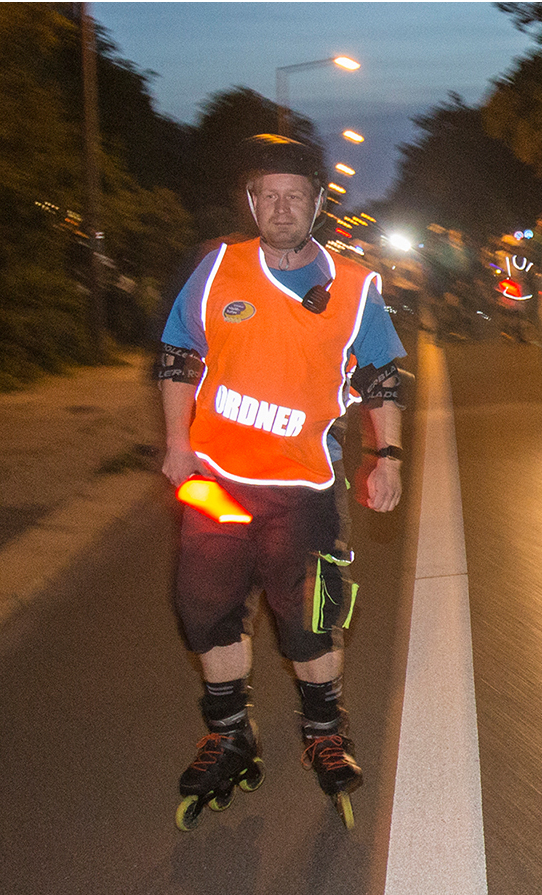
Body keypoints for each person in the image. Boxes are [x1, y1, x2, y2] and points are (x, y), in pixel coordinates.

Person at [156, 134, 406, 827]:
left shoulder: (354, 287)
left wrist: (387, 456)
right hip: (217, 482)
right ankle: (230, 736)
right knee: (204, 608)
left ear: (318, 203)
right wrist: (177, 442)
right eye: (268, 195)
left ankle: (326, 736)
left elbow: (382, 378)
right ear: (251, 202)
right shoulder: (217, 270)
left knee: (313, 616)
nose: (281, 207)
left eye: (295, 196)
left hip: (306, 487)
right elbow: (177, 356)